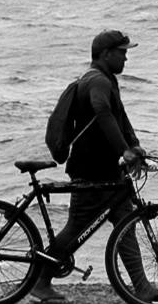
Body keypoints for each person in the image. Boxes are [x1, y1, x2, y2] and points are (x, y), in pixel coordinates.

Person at [34, 30, 144, 286]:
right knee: (76, 229)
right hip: (90, 168)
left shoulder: (107, 80)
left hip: (105, 168)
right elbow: (102, 111)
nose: (126, 59)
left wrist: (135, 146)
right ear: (106, 54)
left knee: (126, 225)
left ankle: (142, 287)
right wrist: (123, 151)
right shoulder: (97, 82)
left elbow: (120, 118)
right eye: (122, 53)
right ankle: (39, 282)